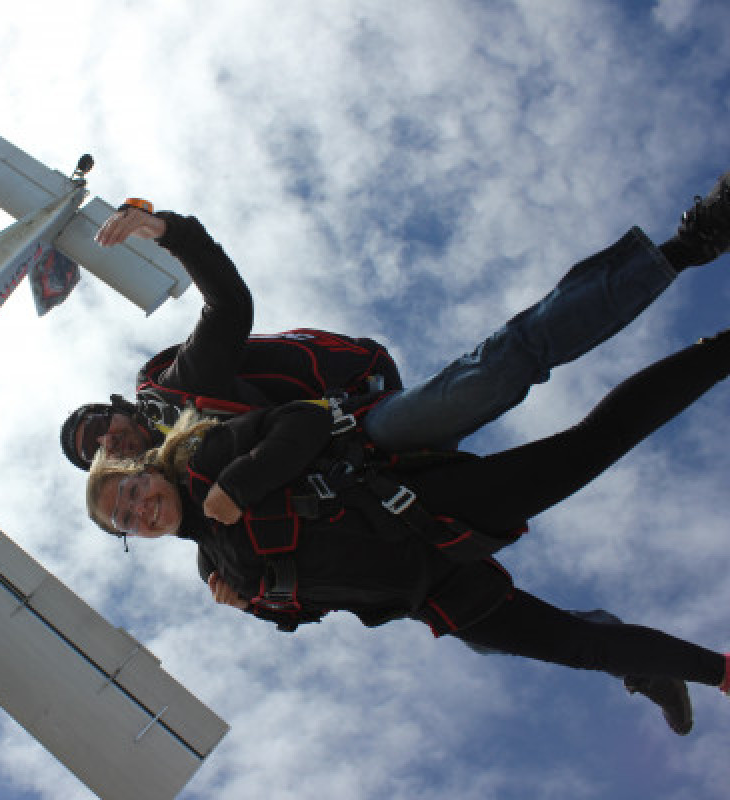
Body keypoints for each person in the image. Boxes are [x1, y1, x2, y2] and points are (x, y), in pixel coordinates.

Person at [85, 326, 730, 735]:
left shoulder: (206, 459)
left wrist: (237, 487)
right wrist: (258, 607)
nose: (140, 511)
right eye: (125, 519)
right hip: (434, 595)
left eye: (134, 491)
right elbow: (306, 604)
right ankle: (710, 672)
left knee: (588, 447)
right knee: (578, 647)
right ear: (130, 539)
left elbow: (302, 423)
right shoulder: (213, 574)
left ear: (146, 472)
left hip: (423, 505)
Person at [62, 172, 730, 469]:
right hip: (358, 494)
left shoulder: (173, 396)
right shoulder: (159, 504)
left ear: (115, 409)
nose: (105, 443)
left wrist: (169, 230)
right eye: (93, 454)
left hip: (362, 427)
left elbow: (230, 308)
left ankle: (691, 243)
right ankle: (621, 648)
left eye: (98, 425)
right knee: (474, 606)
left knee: (501, 366)